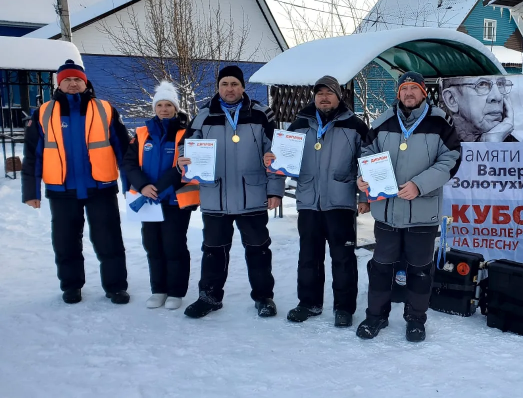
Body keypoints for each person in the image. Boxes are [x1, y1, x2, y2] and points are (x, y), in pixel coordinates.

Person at [356, 71, 461, 342]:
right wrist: (363, 178)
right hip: (387, 213)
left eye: (414, 88)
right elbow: (366, 154)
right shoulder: (383, 122)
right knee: (381, 267)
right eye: (404, 89)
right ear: (398, 93)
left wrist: (419, 185)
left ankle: (415, 320)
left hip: (423, 213)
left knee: (420, 270)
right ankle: (375, 316)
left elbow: (451, 159)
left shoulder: (439, 122)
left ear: (423, 93)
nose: (409, 93)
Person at [178, 65, 285, 319]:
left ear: (243, 87)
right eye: (224, 84)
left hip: (253, 195)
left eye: (234, 84)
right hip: (216, 196)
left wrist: (275, 191)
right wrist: (183, 160)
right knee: (213, 250)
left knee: (258, 249)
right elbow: (185, 146)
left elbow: (277, 154)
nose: (230, 89)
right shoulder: (204, 115)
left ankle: (264, 297)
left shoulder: (262, 114)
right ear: (218, 87)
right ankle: (209, 297)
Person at [21, 59, 131, 304]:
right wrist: (31, 191)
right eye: (67, 80)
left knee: (109, 240)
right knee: (66, 241)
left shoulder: (105, 109)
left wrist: (130, 185)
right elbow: (33, 155)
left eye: (77, 80)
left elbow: (124, 150)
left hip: (100, 188)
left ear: (85, 82)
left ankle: (116, 287)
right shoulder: (43, 113)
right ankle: (71, 286)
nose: (73, 84)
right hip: (62, 190)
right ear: (59, 84)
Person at [268, 75, 369, 328]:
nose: (324, 98)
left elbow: (367, 163)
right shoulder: (299, 125)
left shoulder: (355, 126)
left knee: (343, 258)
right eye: (320, 93)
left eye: (329, 93)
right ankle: (309, 303)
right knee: (308, 257)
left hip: (340, 202)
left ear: (339, 97)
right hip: (308, 203)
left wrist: (365, 197)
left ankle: (344, 308)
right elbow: (281, 163)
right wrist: (275, 187)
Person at [122, 81, 199, 310]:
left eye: (168, 105)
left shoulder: (186, 133)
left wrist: (159, 187)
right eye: (160, 105)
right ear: (154, 108)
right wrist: (143, 186)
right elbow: (129, 163)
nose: (164, 109)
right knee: (152, 246)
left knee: (174, 246)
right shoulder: (142, 133)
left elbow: (186, 166)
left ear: (176, 108)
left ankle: (175, 292)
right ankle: (158, 290)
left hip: (175, 200)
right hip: (149, 201)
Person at [440, 76, 516, 142]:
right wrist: (489, 145)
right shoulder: (440, 145)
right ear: (452, 99)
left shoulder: (517, 146)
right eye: (482, 84)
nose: (498, 97)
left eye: (500, 84)